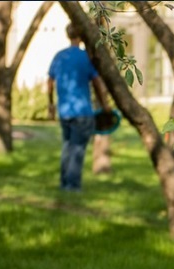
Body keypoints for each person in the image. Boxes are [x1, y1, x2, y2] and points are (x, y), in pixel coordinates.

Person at [47, 23, 111, 192]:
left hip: (65, 111)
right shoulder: (85, 57)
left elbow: (50, 81)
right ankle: (72, 187)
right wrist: (105, 105)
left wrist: (50, 104)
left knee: (68, 146)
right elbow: (97, 82)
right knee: (77, 149)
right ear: (81, 37)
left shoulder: (59, 57)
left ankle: (64, 183)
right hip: (82, 111)